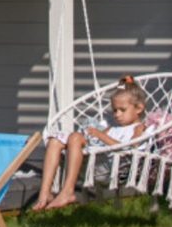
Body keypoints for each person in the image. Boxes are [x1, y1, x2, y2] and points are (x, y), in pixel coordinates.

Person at [32, 75, 149, 210]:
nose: (117, 115)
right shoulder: (112, 128)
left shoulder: (138, 128)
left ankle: (68, 191)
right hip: (94, 157)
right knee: (54, 141)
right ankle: (45, 193)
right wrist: (97, 134)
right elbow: (95, 142)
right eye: (115, 110)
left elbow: (131, 148)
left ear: (139, 108)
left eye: (122, 110)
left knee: (76, 137)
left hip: (110, 166)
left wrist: (100, 135)